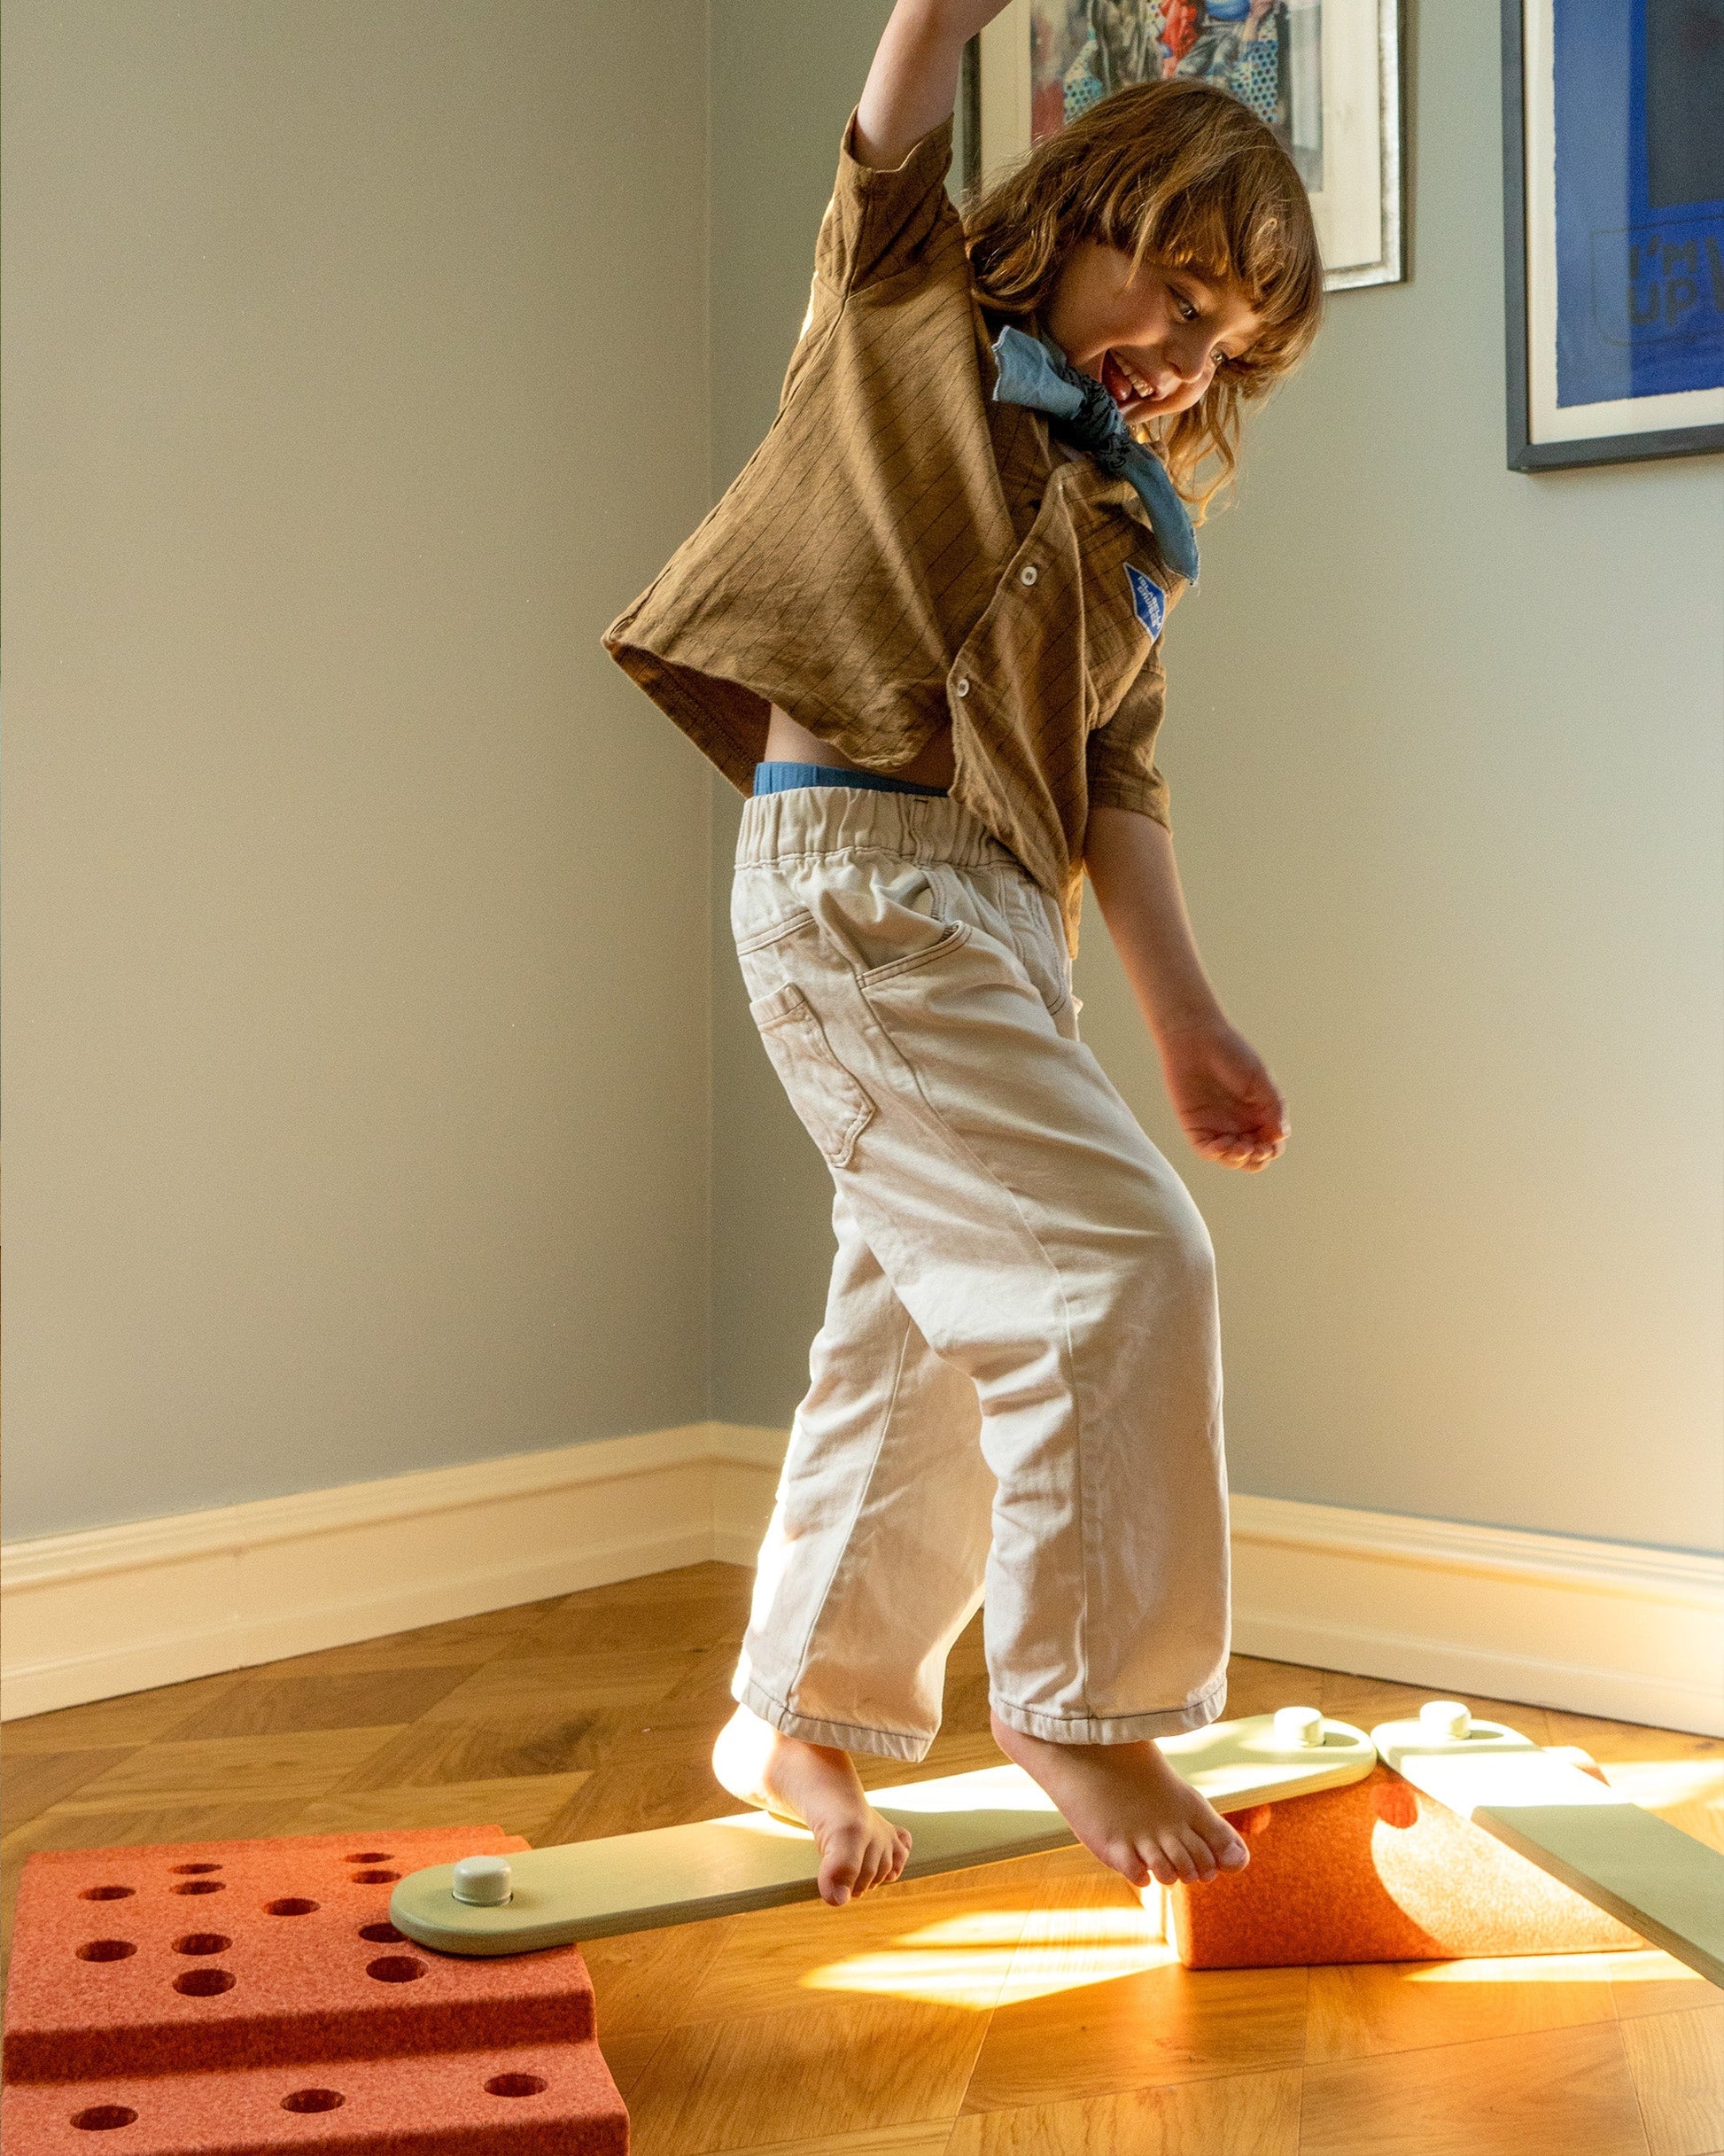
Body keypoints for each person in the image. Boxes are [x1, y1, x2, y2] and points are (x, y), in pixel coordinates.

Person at [603, 0, 1323, 1911]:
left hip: (1000, 924)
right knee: (1123, 1260)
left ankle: (797, 1717)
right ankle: (1078, 1697)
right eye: (1173, 295)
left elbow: (1113, 778)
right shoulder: (901, 312)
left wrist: (1186, 1020)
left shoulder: (1122, 525)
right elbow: (900, 112)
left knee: (919, 1331)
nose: (1182, 357)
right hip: (859, 890)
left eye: (1224, 347)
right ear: (1076, 211)